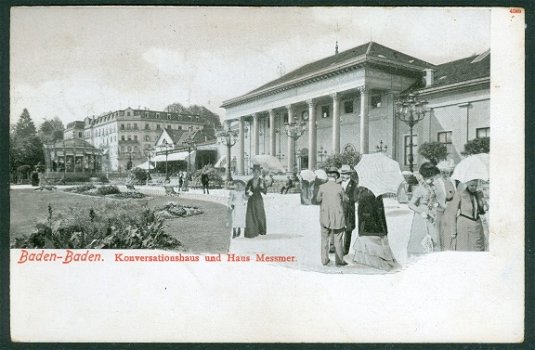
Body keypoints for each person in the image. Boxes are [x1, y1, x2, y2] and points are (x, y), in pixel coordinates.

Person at [352, 187, 398, 271]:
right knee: (378, 242)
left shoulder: (364, 194)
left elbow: (360, 206)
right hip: (377, 225)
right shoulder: (377, 193)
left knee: (369, 242)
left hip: (367, 225)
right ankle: (385, 258)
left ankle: (371, 260)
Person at [407, 162, 446, 256]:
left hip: (432, 214)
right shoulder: (420, 189)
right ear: (424, 177)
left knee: (433, 235)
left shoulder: (434, 187)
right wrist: (421, 212)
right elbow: (411, 204)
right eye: (430, 178)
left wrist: (437, 204)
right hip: (421, 216)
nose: (433, 180)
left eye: (433, 177)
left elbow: (436, 199)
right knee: (421, 236)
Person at [315, 167, 347, 266]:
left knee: (324, 239)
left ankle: (324, 260)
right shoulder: (339, 188)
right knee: (338, 239)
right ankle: (339, 261)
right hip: (338, 217)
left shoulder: (322, 187)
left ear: (328, 176)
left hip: (325, 217)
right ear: (337, 176)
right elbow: (345, 200)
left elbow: (317, 200)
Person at [447, 179, 488, 251]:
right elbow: (452, 213)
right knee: (465, 251)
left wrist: (483, 202)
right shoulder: (459, 194)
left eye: (476, 186)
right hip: (464, 227)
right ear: (467, 184)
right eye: (472, 185)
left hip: (477, 227)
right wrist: (453, 232)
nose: (474, 188)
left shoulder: (479, 194)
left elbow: (482, 211)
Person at [339, 165, 359, 255]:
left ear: (349, 174)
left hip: (349, 210)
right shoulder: (338, 183)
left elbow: (355, 198)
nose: (343, 175)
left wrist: (346, 197)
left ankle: (345, 250)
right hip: (339, 210)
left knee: (348, 230)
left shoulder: (354, 184)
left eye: (345, 174)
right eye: (342, 173)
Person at [437, 167, 457, 250]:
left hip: (451, 206)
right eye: (443, 172)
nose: (445, 174)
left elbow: (455, 194)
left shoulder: (452, 181)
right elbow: (436, 196)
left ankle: (451, 248)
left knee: (451, 228)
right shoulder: (437, 182)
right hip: (441, 208)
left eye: (447, 173)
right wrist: (442, 204)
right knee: (442, 228)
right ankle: (443, 248)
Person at [244, 164, 267, 238]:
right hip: (251, 200)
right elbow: (246, 191)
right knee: (251, 215)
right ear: (252, 172)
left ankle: (261, 230)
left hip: (259, 200)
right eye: (254, 172)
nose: (256, 173)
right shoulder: (250, 181)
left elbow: (265, 192)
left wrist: (262, 187)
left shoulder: (261, 181)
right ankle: (252, 232)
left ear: (259, 173)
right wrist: (248, 192)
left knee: (259, 215)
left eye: (257, 172)